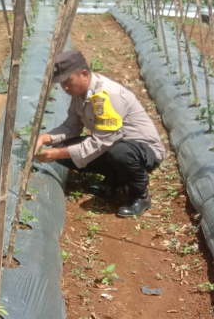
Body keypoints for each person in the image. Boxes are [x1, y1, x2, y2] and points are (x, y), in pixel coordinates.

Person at [35, 50, 166, 217]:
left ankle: (140, 195)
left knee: (120, 153)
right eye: (61, 84)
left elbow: (102, 142)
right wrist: (46, 138)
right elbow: (72, 126)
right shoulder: (79, 94)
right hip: (113, 144)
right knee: (61, 146)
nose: (65, 88)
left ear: (84, 74)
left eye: (68, 82)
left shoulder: (107, 95)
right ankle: (115, 178)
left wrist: (58, 154)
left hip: (143, 150)